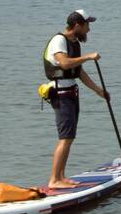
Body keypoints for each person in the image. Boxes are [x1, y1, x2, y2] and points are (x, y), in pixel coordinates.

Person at [42, 10, 109, 188]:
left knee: (69, 137)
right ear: (78, 25)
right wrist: (88, 57)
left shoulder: (74, 43)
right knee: (65, 137)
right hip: (61, 94)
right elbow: (63, 63)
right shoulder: (59, 40)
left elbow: (78, 72)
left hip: (71, 92)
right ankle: (54, 180)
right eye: (87, 25)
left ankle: (61, 176)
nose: (89, 30)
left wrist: (98, 91)